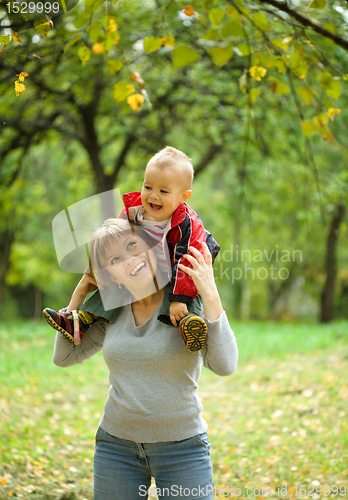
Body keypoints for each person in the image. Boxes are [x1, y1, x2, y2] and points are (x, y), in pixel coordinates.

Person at [52, 218, 238, 500]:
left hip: (183, 449)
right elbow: (64, 357)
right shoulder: (111, 311)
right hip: (116, 448)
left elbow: (225, 365)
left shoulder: (184, 306)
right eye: (115, 259)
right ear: (109, 275)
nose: (130, 260)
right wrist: (78, 295)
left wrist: (209, 290)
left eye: (132, 246)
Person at [44, 146, 219, 352]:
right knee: (113, 279)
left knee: (190, 289)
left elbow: (189, 261)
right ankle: (81, 320)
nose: (153, 196)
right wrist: (96, 270)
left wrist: (180, 299)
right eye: (148, 187)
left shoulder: (187, 225)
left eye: (163, 191)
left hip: (180, 274)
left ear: (183, 197)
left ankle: (189, 324)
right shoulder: (133, 214)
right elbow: (111, 244)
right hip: (143, 273)